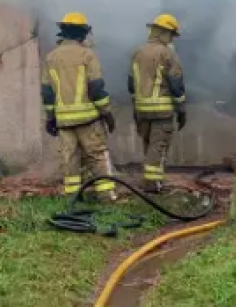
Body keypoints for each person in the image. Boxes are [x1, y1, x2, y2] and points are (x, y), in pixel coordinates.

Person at [42, 12, 116, 200]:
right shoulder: (87, 55)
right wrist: (107, 113)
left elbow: (48, 93)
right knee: (97, 155)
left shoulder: (51, 58)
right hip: (88, 119)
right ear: (82, 33)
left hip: (64, 121)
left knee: (70, 159)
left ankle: (73, 198)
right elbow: (96, 88)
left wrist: (50, 118)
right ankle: (107, 196)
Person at [129, 13, 186, 193]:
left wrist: (136, 105)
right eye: (171, 35)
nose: (171, 39)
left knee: (148, 146)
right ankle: (152, 185)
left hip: (141, 110)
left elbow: (131, 84)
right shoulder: (168, 53)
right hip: (162, 111)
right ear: (164, 33)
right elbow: (176, 84)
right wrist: (181, 109)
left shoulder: (137, 53)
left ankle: (150, 181)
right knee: (158, 147)